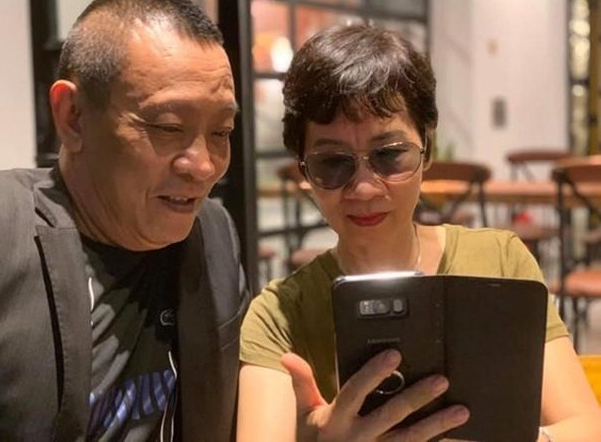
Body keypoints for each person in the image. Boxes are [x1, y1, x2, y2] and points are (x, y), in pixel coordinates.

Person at [238, 24, 601, 441]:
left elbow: (586, 428)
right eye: (332, 163)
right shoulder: (280, 316)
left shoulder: (499, 263)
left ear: (427, 148)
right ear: (304, 169)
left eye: (390, 155)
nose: (364, 188)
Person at [0, 0, 249, 441]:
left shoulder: (213, 233)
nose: (204, 166)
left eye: (221, 132)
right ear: (73, 117)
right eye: (168, 127)